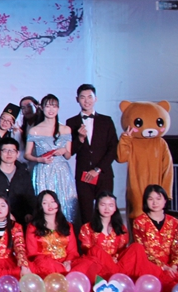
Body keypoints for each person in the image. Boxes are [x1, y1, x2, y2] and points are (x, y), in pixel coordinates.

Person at [66, 84, 118, 225]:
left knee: (106, 212)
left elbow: (113, 148)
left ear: (96, 99)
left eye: (90, 97)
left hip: (104, 174)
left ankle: (106, 238)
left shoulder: (106, 121)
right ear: (77, 99)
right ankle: (86, 239)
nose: (86, 100)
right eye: (82, 97)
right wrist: (80, 139)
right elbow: (70, 151)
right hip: (83, 175)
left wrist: (98, 169)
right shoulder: (71, 122)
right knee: (86, 213)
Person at [26, 94, 77, 223]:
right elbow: (27, 154)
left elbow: (68, 155)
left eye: (54, 106)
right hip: (43, 170)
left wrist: (64, 150)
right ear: (42, 108)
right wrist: (40, 160)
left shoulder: (65, 129)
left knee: (65, 203)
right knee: (44, 203)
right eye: (48, 106)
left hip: (62, 172)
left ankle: (66, 230)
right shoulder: (34, 130)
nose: (51, 109)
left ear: (58, 108)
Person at [78, 192, 137, 280]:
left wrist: (115, 258)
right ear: (97, 206)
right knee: (95, 250)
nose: (107, 208)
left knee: (136, 247)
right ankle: (117, 276)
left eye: (111, 205)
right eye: (103, 205)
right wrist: (108, 259)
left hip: (117, 263)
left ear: (115, 208)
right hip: (98, 265)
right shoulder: (87, 228)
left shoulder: (121, 228)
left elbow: (122, 250)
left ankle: (118, 275)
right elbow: (88, 251)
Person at [130, 185, 178, 285]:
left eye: (158, 198)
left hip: (172, 266)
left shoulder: (174, 222)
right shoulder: (139, 222)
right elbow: (142, 250)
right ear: (146, 201)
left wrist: (174, 266)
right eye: (150, 199)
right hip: (150, 266)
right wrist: (163, 266)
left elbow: (177, 247)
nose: (154, 202)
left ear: (165, 200)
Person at [26, 190, 79, 278]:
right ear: (40, 206)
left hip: (66, 264)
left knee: (88, 262)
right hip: (45, 265)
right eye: (45, 203)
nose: (50, 205)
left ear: (57, 204)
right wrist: (54, 264)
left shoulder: (67, 225)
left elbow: (73, 251)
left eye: (53, 202)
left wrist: (68, 261)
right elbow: (32, 253)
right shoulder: (33, 227)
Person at [0, 138, 35, 224]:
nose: (9, 154)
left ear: (18, 153)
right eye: (5, 150)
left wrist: (29, 213)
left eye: (12, 151)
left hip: (20, 219)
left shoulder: (24, 173)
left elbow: (29, 196)